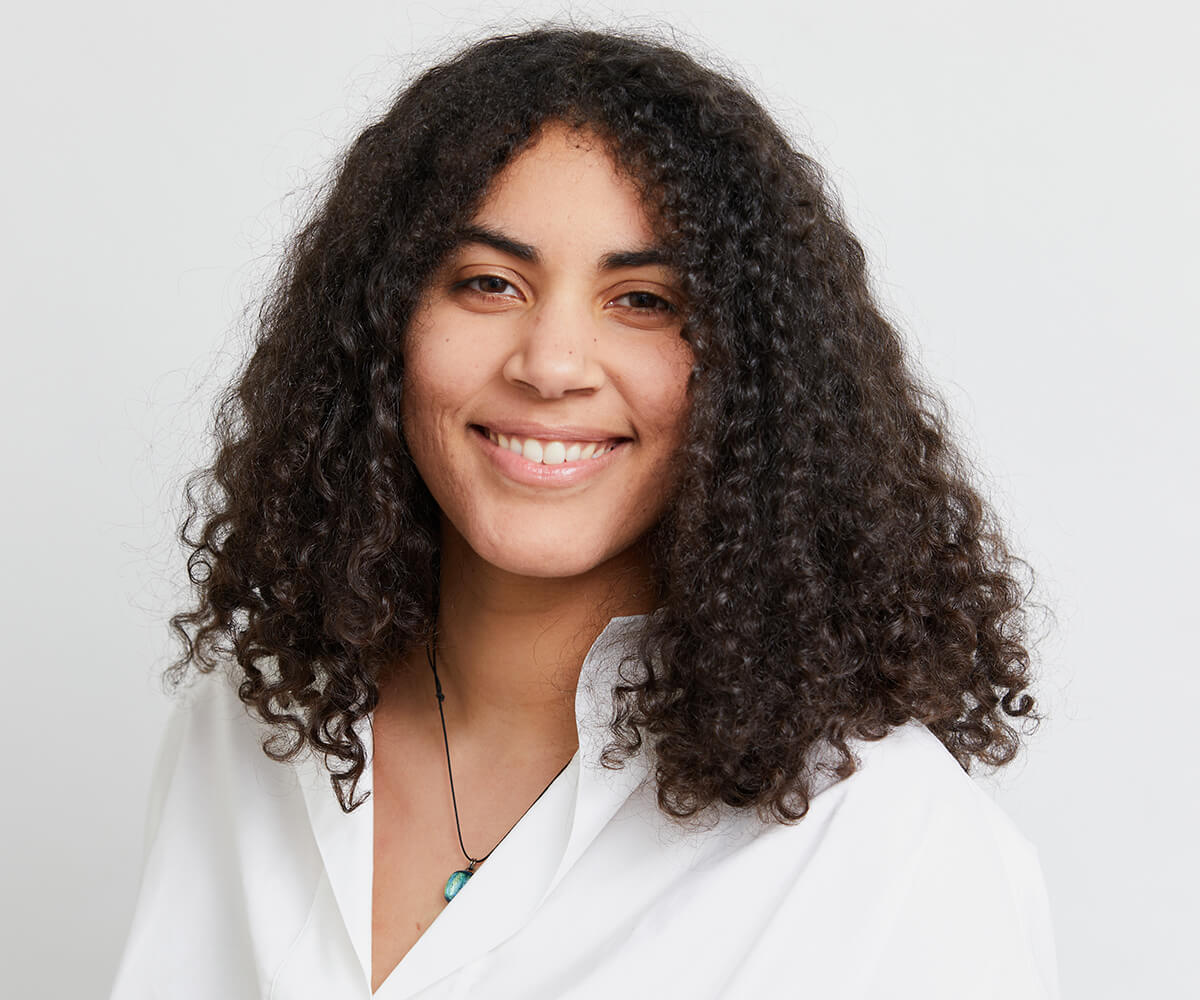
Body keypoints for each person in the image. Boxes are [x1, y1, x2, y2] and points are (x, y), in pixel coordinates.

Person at [111, 26, 1059, 999]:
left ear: (751, 380)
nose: (552, 364)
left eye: (643, 299)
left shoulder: (884, 844)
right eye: (489, 283)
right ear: (379, 330)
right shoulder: (244, 732)